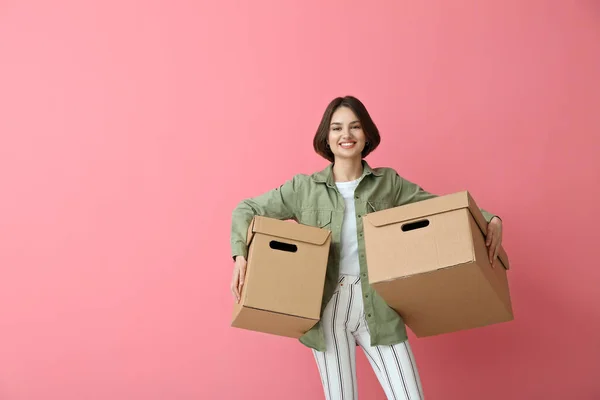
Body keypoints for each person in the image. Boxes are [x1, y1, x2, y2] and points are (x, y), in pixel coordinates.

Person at [229, 96, 503, 400]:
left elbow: (440, 206)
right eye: (337, 128)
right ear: (326, 137)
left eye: (354, 127)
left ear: (366, 134)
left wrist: (489, 219)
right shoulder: (303, 188)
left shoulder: (388, 183)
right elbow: (247, 209)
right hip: (328, 307)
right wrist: (241, 256)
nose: (346, 135)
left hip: (378, 304)